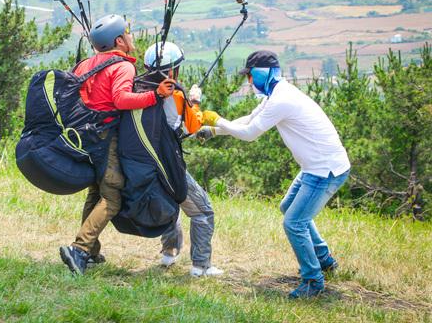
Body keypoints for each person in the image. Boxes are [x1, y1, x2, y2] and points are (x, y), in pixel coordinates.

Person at [198, 50, 350, 298]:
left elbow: (249, 134)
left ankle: (313, 281)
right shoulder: (276, 94)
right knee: (288, 206)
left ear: (261, 73)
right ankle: (324, 259)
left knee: (294, 223)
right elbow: (249, 120)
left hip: (325, 171)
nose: (248, 81)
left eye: (250, 75)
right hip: (316, 168)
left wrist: (218, 119)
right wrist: (214, 130)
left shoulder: (282, 99)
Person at [59, 15, 176, 275]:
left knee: (95, 193)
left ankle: (91, 251)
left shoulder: (85, 64)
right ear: (119, 41)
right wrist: (155, 95)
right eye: (129, 33)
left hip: (81, 138)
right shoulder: (122, 67)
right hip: (104, 138)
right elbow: (121, 99)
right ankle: (79, 250)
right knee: (112, 196)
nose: (132, 37)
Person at [144, 41, 223, 277]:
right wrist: (195, 101)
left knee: (171, 204)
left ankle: (169, 253)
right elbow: (190, 126)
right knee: (202, 211)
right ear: (171, 71)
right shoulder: (174, 94)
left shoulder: (140, 89)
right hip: (169, 164)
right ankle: (201, 266)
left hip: (148, 161)